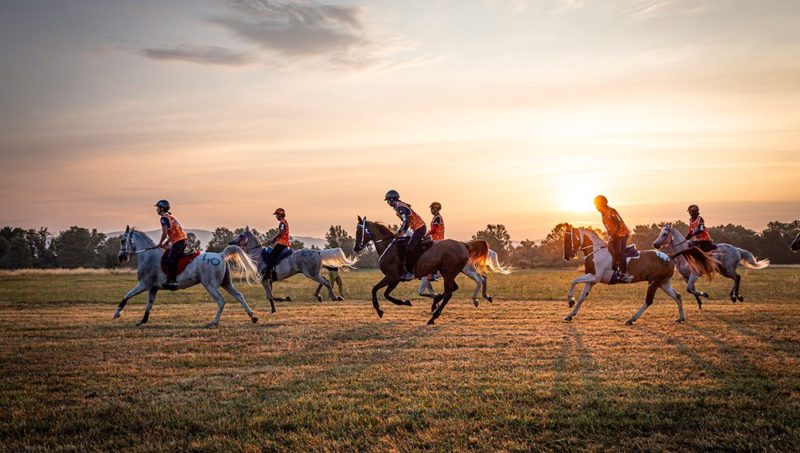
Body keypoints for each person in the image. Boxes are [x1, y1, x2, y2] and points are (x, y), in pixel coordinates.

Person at [385, 190, 427, 281]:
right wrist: (400, 232)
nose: (387, 203)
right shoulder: (398, 206)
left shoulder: (400, 206)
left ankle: (410, 272)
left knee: (409, 248)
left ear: (392, 199)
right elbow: (406, 223)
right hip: (417, 229)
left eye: (387, 200)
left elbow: (406, 221)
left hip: (419, 229)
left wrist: (400, 232)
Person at [594, 195, 631, 284]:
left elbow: (618, 224)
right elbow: (609, 228)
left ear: (602, 204)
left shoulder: (611, 211)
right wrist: (609, 236)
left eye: (597, 205)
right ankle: (613, 272)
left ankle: (623, 275)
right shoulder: (603, 215)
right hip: (615, 236)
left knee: (619, 252)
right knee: (609, 251)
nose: (596, 207)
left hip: (622, 234)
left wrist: (612, 236)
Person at [154, 199, 187, 291]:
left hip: (179, 241)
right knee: (172, 257)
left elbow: (164, 233)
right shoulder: (170, 217)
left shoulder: (163, 218)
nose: (157, 209)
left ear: (162, 208)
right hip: (182, 240)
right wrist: (167, 242)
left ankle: (172, 281)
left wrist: (160, 243)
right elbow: (173, 232)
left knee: (170, 259)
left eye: (158, 208)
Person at [264, 208, 290, 281]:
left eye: (277, 215)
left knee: (271, 255)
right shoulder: (284, 221)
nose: (276, 217)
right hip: (284, 243)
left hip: (282, 243)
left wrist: (274, 239)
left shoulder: (282, 223)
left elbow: (281, 232)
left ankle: (267, 274)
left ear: (280, 215)